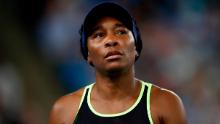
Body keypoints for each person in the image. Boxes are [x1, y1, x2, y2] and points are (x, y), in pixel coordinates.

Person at [49, 2, 187, 124]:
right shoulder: (65, 111)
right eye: (99, 35)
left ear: (136, 48)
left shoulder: (166, 103)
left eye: (121, 32)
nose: (111, 40)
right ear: (88, 54)